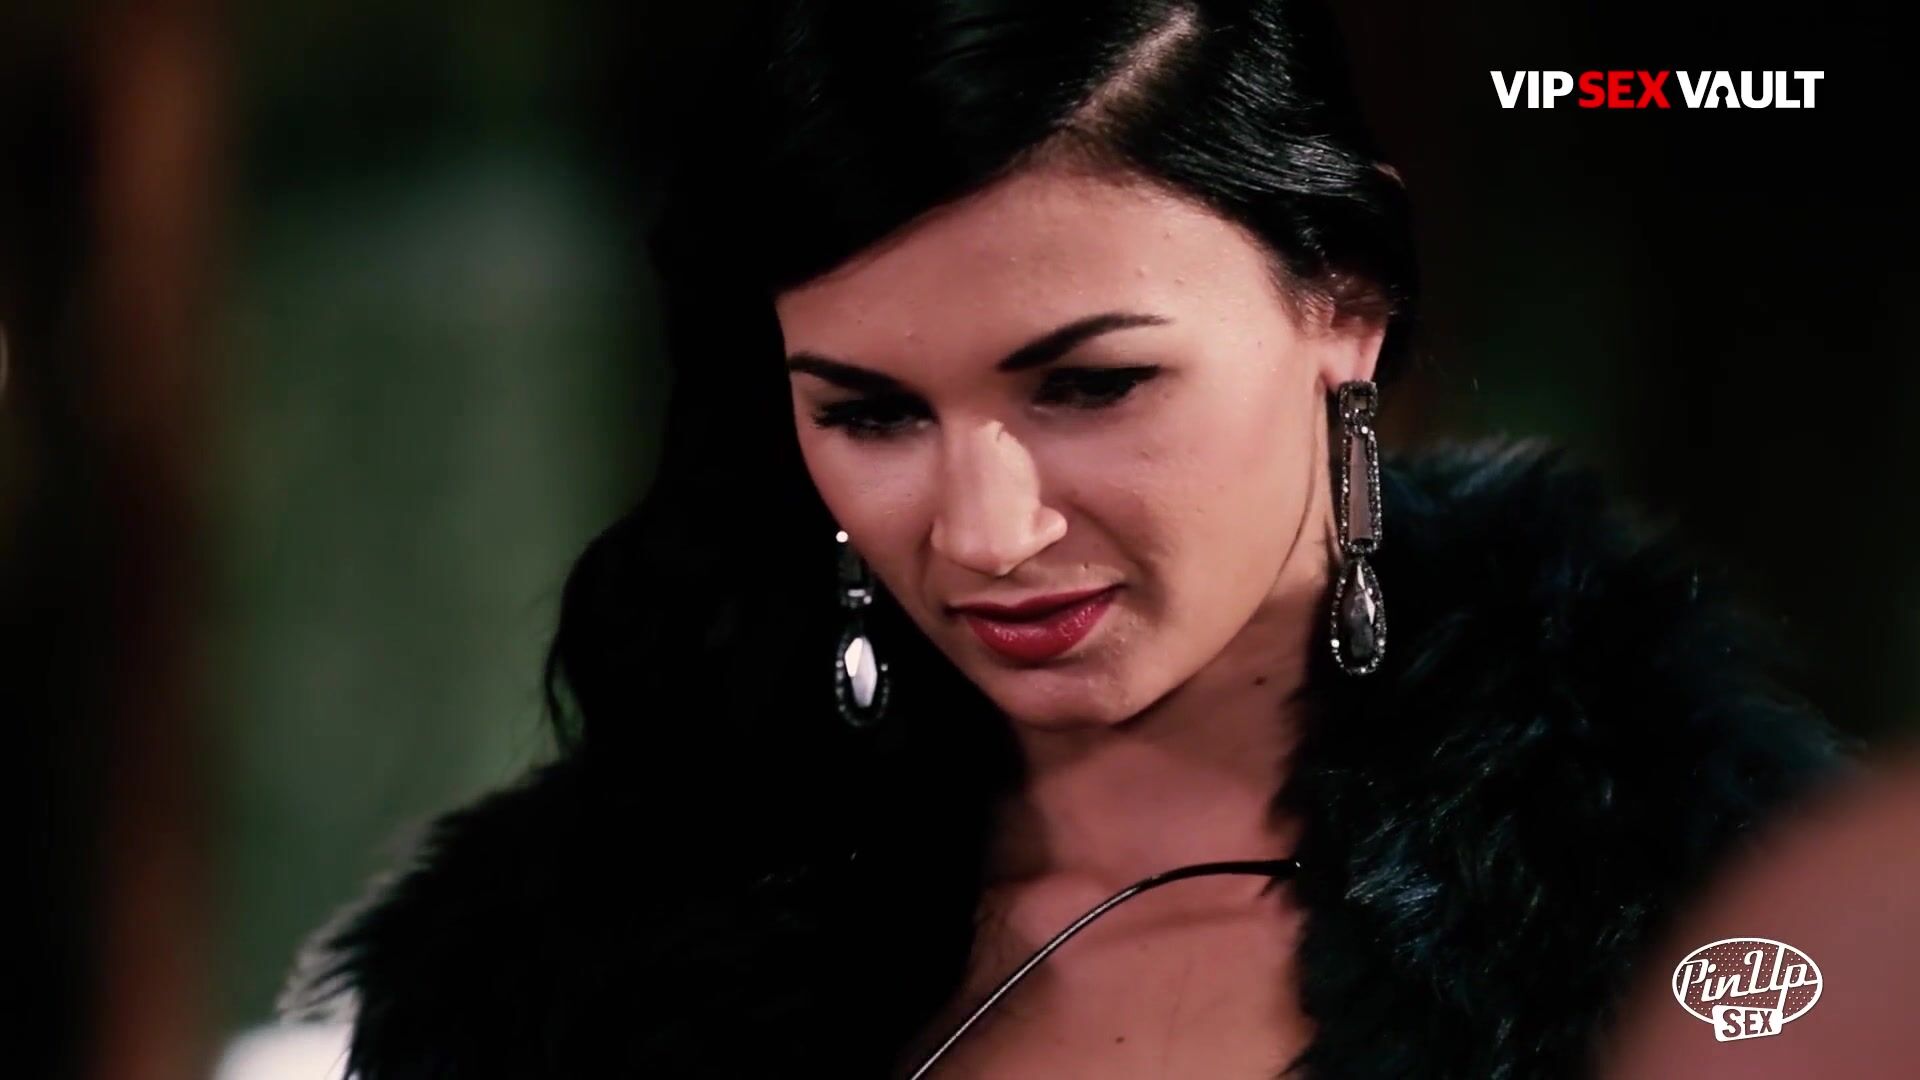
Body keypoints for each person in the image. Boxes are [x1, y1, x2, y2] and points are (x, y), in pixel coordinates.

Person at [280, 1, 1854, 1076]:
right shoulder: (581, 959)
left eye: (1091, 385)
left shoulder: (1713, 927)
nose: (984, 533)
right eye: (871, 413)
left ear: (1347, 302)